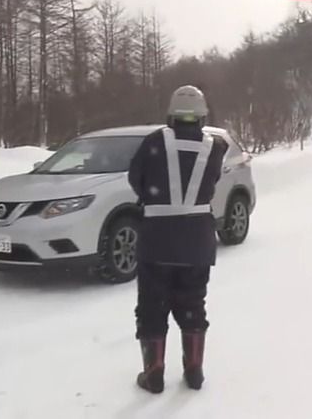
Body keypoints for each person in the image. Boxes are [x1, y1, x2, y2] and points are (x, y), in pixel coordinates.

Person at [127, 85, 229, 393]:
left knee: (151, 306)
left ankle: (154, 372)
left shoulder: (154, 142)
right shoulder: (217, 146)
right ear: (201, 116)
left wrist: (154, 199)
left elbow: (136, 180)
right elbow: (212, 181)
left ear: (171, 115)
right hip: (197, 241)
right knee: (192, 304)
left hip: (157, 239)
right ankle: (194, 369)